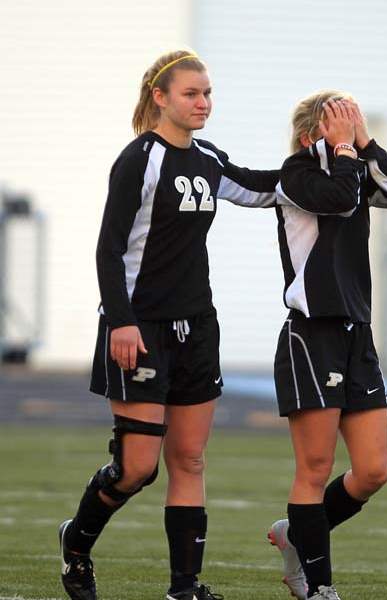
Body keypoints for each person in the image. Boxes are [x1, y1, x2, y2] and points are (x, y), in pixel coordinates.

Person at [58, 49, 279, 600]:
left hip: (198, 327)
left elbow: (261, 188)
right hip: (141, 329)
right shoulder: (139, 159)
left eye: (207, 94)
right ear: (161, 97)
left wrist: (326, 164)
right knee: (136, 469)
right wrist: (121, 324)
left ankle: (185, 587)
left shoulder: (207, 158)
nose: (203, 103)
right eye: (191, 93)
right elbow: (109, 251)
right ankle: (77, 546)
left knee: (190, 459)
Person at [265, 91, 387, 600]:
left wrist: (367, 145)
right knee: (314, 468)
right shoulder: (297, 175)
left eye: (355, 123)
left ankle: (297, 535)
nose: (351, 132)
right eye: (342, 123)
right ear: (315, 135)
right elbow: (337, 199)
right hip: (313, 335)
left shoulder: (353, 172)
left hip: (356, 333)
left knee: (374, 470)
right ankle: (318, 586)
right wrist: (348, 155)